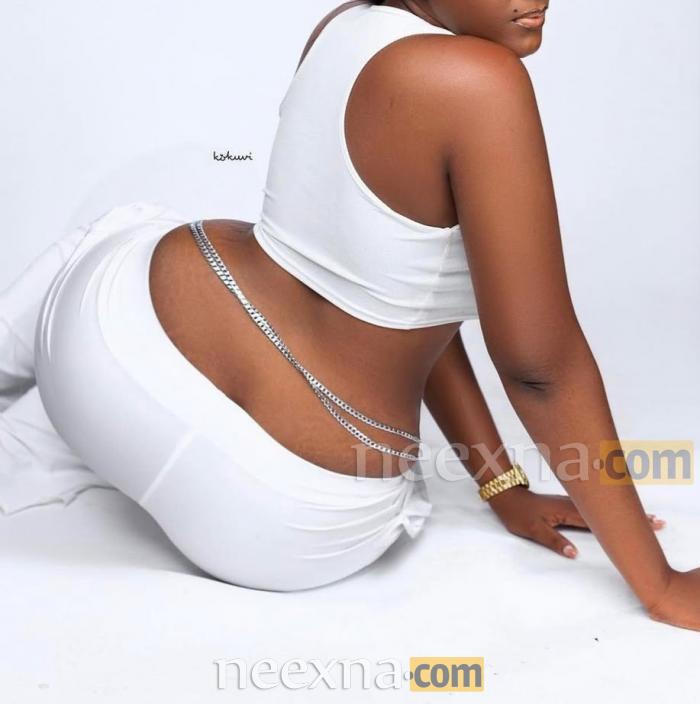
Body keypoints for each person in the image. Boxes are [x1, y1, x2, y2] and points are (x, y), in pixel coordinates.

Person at [1, 0, 698, 627]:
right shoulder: (483, 82)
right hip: (277, 512)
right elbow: (540, 368)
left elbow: (399, 292)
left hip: (96, 340)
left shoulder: (341, 26)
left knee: (133, 220)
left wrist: (502, 484)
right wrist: (659, 584)